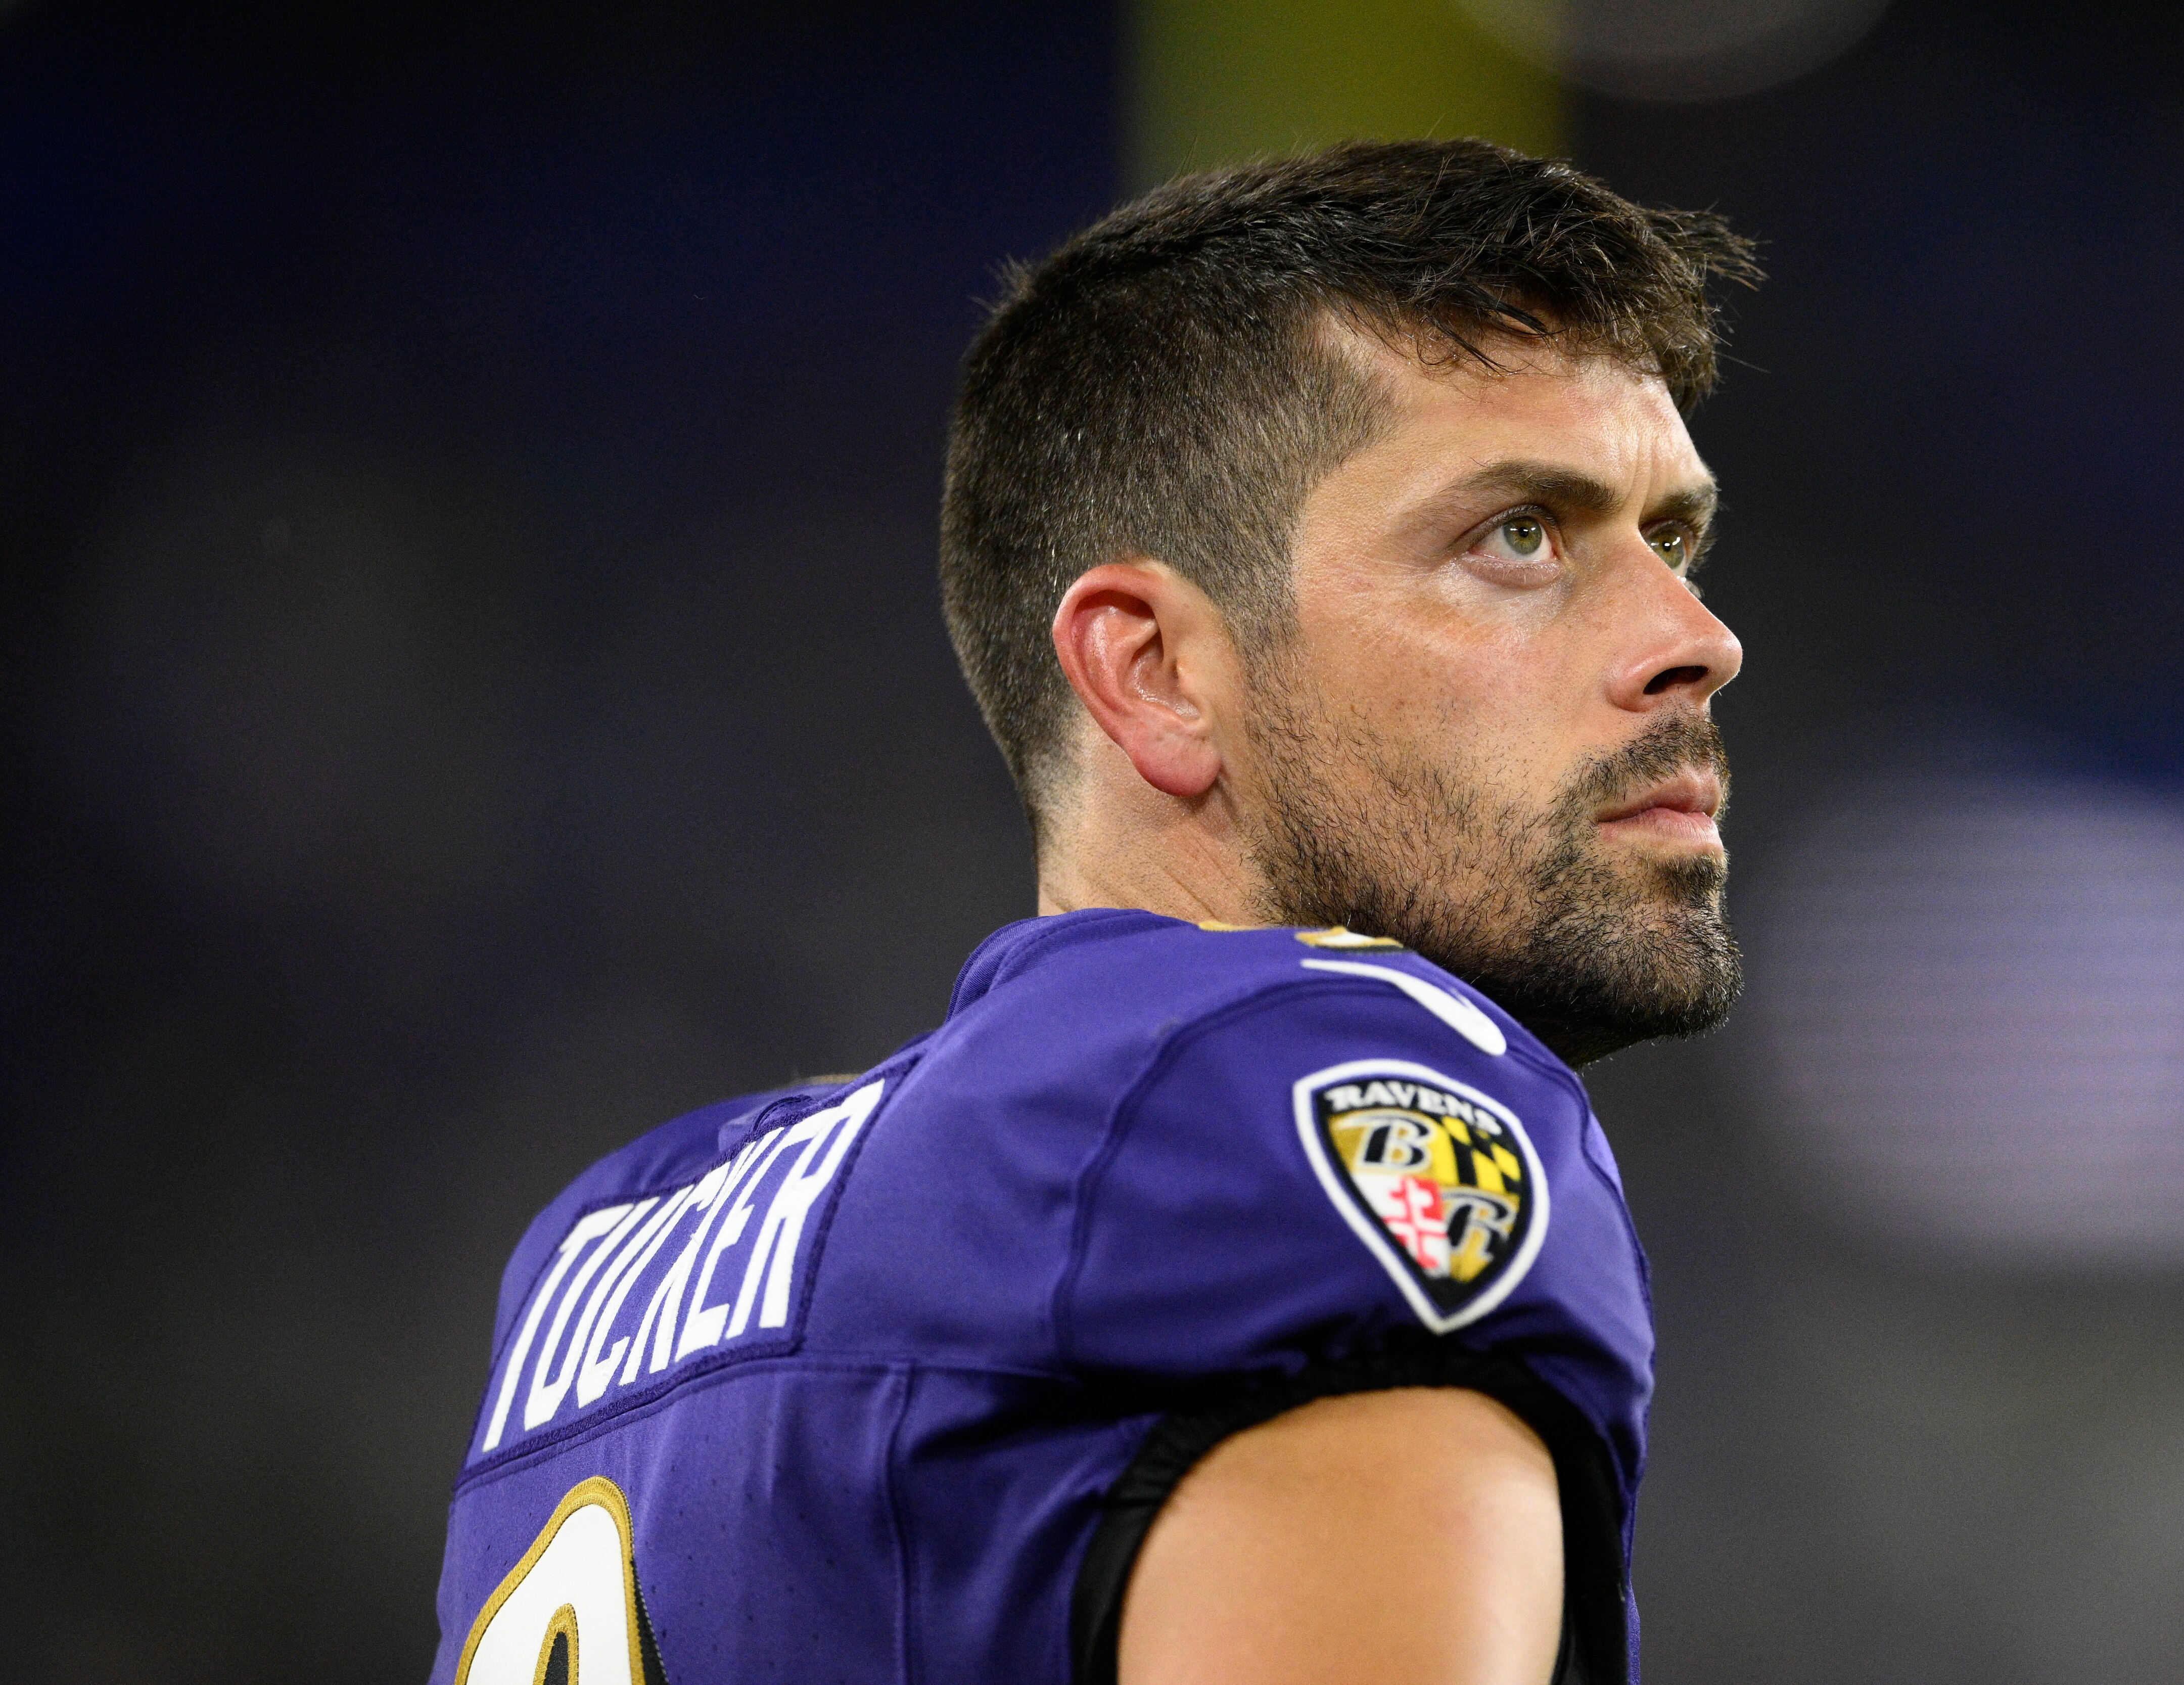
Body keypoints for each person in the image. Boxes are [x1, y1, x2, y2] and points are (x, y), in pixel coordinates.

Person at [428, 138, 1755, 1685]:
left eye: (1669, 539)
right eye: (1517, 535)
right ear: (1155, 673)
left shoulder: (615, 1251)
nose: (1698, 639)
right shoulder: (1305, 1088)